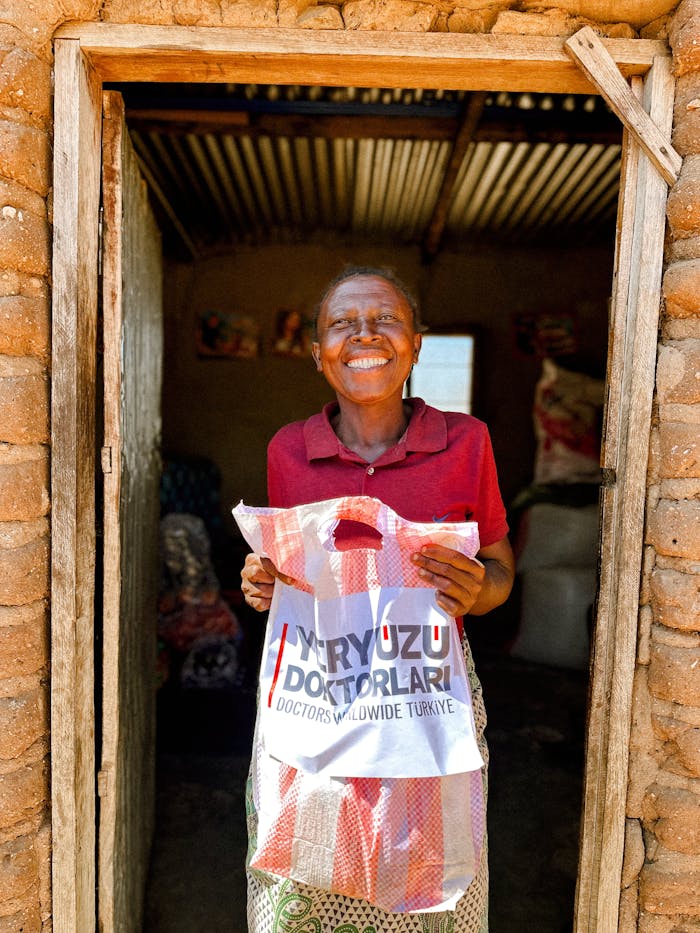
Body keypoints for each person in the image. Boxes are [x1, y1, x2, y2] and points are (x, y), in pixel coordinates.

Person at [240, 265, 515, 932]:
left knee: (426, 869)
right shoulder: (289, 451)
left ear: (417, 343)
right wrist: (262, 582)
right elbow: (289, 574)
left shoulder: (467, 443)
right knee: (307, 862)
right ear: (317, 354)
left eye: (385, 319)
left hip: (425, 691)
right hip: (318, 689)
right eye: (342, 323)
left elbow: (501, 572)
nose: (364, 335)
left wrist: (480, 589)